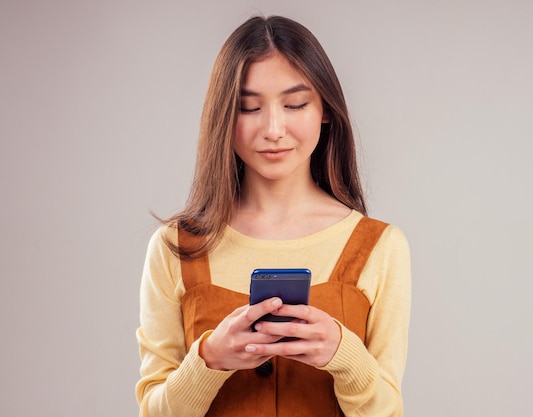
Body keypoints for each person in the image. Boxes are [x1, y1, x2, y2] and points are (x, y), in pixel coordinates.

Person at [136, 15, 411, 417]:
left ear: (326, 110)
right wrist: (209, 359)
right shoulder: (175, 247)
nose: (273, 128)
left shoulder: (381, 247)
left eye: (295, 103)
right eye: (248, 108)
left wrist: (343, 354)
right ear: (223, 118)